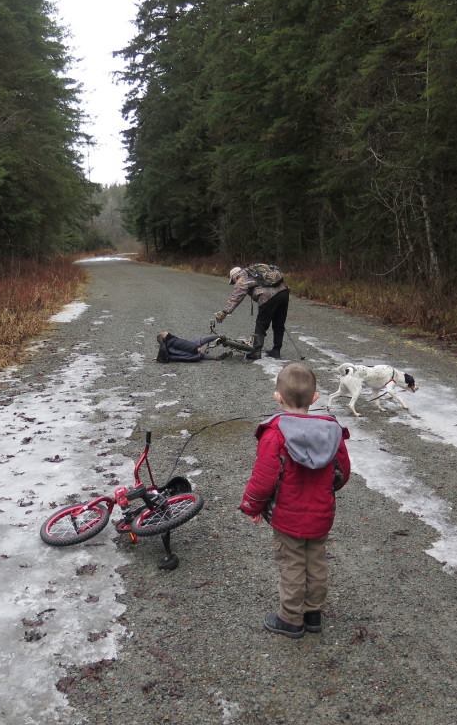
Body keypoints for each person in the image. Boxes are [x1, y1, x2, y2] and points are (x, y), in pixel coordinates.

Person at [240, 363, 351, 638]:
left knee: (292, 565)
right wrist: (325, 490)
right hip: (321, 514)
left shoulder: (275, 433)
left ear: (278, 397)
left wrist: (252, 505)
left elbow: (264, 478)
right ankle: (313, 613)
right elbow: (342, 472)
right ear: (315, 398)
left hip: (287, 517)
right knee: (316, 561)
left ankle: (291, 618)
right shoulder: (331, 431)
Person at [214, 266, 289, 359]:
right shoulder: (256, 270)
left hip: (268, 296)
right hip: (284, 292)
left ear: (234, 276)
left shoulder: (242, 277)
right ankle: (276, 351)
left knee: (261, 324)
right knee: (279, 324)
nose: (234, 283)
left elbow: (236, 297)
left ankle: (256, 352)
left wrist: (224, 312)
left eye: (233, 281)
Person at [155, 331, 231, 363]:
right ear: (165, 338)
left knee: (202, 356)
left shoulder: (165, 350)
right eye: (168, 334)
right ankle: (219, 336)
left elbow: (162, 358)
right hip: (191, 348)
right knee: (201, 340)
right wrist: (195, 348)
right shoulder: (173, 341)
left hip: (188, 356)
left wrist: (159, 359)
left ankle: (215, 357)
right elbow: (184, 344)